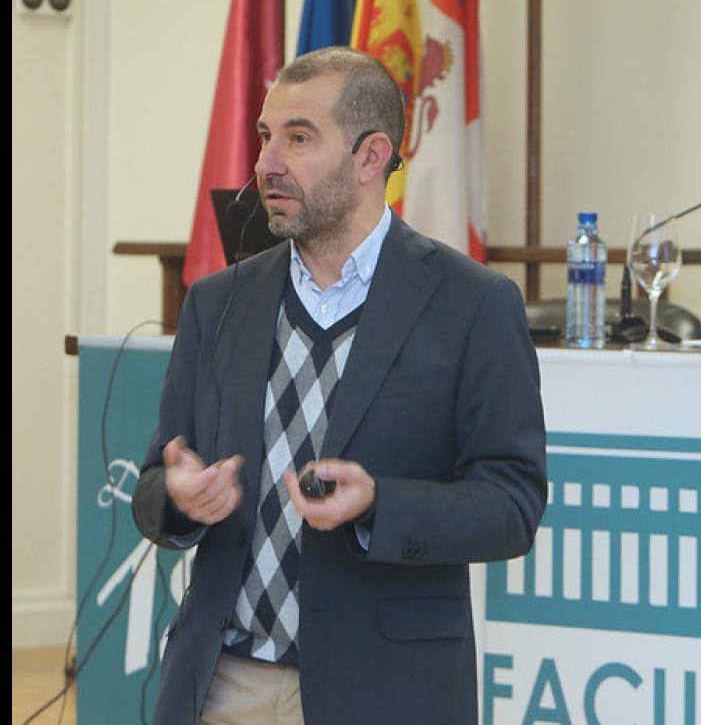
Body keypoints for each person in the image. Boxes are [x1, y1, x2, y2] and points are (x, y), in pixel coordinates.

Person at [132, 46, 548, 725]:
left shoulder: (472, 305)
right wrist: (177, 498)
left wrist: (379, 504)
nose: (267, 162)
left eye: (299, 138)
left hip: (384, 691)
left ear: (370, 156)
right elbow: (153, 487)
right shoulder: (216, 304)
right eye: (266, 136)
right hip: (219, 686)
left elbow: (512, 504)